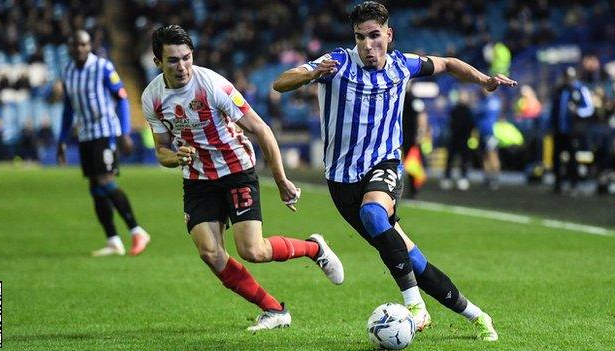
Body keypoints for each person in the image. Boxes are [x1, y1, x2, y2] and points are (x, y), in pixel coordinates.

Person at [273, 1, 516, 341]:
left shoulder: (403, 64)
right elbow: (281, 82)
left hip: (385, 163)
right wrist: (312, 72)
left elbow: (447, 63)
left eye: (375, 36)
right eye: (361, 38)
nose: (368, 46)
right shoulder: (338, 62)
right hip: (342, 181)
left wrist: (483, 80)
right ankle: (476, 314)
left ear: (389, 34)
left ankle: (415, 306)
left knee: (374, 213)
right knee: (412, 259)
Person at [141, 25, 344, 332]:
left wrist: (281, 181)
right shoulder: (152, 98)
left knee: (253, 251)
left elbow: (261, 129)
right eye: (172, 60)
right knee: (210, 253)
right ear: (158, 62)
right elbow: (161, 151)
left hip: (236, 170)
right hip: (197, 179)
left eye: (186, 58)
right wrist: (176, 157)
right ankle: (275, 310)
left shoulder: (212, 86)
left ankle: (315, 249)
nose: (181, 66)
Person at [57, 30, 151, 257]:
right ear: (70, 47)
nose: (79, 48)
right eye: (75, 45)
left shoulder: (103, 67)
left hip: (106, 131)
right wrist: (62, 139)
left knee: (105, 181)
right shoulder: (67, 71)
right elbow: (68, 108)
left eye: (83, 44)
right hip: (86, 134)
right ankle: (113, 241)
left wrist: (124, 132)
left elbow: (122, 98)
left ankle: (137, 231)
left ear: (89, 46)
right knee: (95, 188)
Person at [549, 67, 595, 194]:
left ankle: (573, 184)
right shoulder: (559, 90)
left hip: (573, 130)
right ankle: (558, 184)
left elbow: (589, 109)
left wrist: (578, 111)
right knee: (556, 157)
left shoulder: (580, 89)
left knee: (572, 158)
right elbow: (554, 109)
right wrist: (551, 126)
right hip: (559, 129)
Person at [441, 89, 474, 190]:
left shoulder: (469, 110)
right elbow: (450, 123)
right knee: (450, 158)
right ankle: (447, 177)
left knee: (464, 159)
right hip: (454, 138)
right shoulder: (455, 109)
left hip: (464, 139)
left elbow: (471, 125)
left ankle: (463, 177)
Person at [474, 89, 503, 189]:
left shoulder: (493, 101)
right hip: (481, 132)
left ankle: (495, 178)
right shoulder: (483, 101)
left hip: (490, 133)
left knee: (492, 155)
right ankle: (487, 178)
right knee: (484, 156)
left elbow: (481, 111)